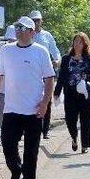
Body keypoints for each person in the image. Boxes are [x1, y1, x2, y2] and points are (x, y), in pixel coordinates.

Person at [0, 16, 55, 179]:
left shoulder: (40, 51)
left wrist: (45, 103)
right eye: (17, 27)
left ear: (32, 32)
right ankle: (16, 170)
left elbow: (49, 79)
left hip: (34, 110)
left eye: (23, 28)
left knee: (31, 150)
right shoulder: (6, 51)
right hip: (11, 109)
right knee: (8, 146)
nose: (19, 31)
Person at [55, 32, 90, 154]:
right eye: (75, 41)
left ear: (85, 43)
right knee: (70, 119)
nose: (77, 44)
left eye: (80, 42)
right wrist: (57, 92)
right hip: (70, 92)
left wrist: (88, 74)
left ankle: (85, 144)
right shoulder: (66, 59)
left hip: (85, 93)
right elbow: (61, 77)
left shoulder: (89, 58)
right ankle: (74, 137)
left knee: (86, 119)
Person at [29, 10, 61, 140]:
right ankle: (32, 127)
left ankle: (45, 130)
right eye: (34, 20)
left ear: (41, 21)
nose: (36, 23)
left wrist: (57, 61)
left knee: (46, 100)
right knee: (32, 99)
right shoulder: (28, 35)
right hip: (31, 73)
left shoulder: (47, 36)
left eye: (38, 20)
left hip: (46, 72)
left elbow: (55, 51)